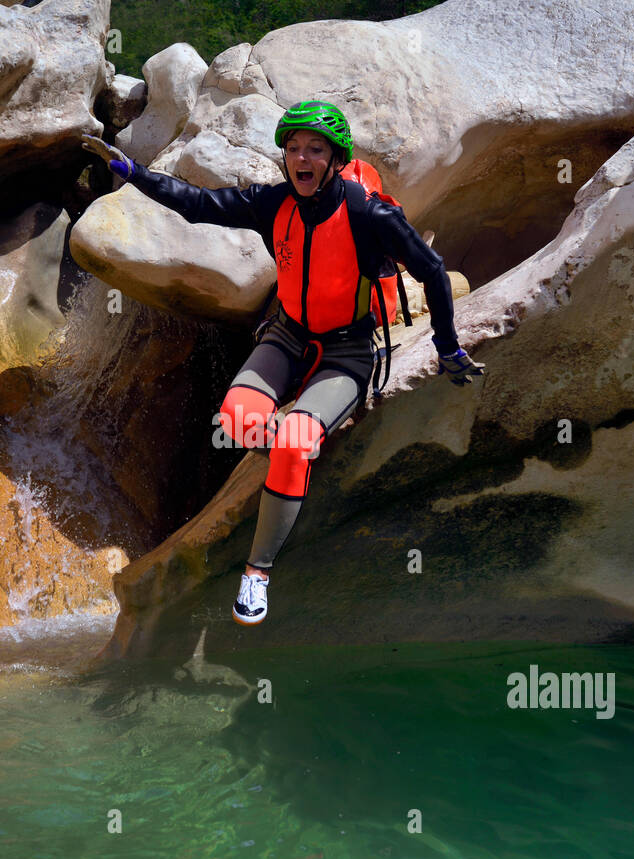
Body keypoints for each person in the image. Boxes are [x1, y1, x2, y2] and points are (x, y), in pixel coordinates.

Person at [82, 100, 483, 626]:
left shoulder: (369, 215)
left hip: (347, 350)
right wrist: (134, 174)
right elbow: (199, 204)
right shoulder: (275, 204)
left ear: (336, 159)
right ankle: (299, 441)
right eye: (293, 148)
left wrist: (447, 345)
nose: (302, 158)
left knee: (292, 443)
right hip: (289, 337)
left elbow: (432, 271)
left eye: (315, 149)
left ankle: (258, 573)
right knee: (237, 420)